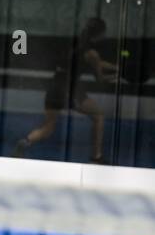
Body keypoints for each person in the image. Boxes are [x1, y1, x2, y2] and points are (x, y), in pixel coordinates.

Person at [13, 17, 118, 164]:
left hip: (54, 87)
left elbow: (98, 62)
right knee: (99, 116)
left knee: (48, 127)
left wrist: (115, 67)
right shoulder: (92, 53)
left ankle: (25, 141)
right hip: (69, 91)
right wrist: (116, 76)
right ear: (100, 34)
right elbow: (99, 77)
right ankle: (96, 156)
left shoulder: (78, 45)